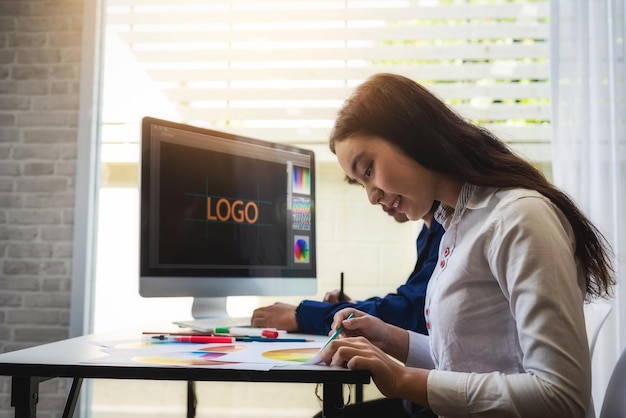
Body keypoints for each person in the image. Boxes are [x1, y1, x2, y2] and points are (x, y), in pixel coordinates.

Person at [318, 73, 615, 417]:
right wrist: (389, 339)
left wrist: (404, 380)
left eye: (368, 169)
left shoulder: (519, 218)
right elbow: (474, 359)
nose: (371, 196)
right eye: (359, 183)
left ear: (411, 134)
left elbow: (561, 397)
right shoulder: (457, 227)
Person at [251, 201, 444, 336]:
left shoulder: (448, 231)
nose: (372, 198)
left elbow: (411, 313)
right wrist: (350, 309)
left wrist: (303, 315)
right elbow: (414, 306)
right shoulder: (426, 233)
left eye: (369, 171)